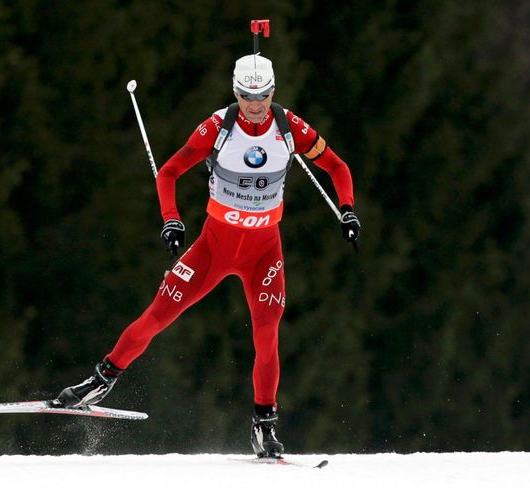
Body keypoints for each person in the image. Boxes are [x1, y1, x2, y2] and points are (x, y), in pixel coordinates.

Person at [56, 54, 361, 458]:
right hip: (212, 249)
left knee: (266, 337)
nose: (256, 104)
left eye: (264, 96)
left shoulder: (290, 128)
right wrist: (171, 220)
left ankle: (264, 427)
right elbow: (168, 172)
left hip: (264, 254)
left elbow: (337, 167)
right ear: (235, 92)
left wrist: (348, 209)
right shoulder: (218, 128)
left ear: (274, 92)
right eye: (248, 96)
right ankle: (99, 380)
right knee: (157, 316)